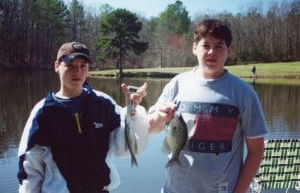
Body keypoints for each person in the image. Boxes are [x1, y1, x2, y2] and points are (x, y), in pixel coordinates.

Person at [147, 19, 268, 193]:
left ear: (229, 51)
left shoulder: (244, 93)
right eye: (206, 45)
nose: (212, 52)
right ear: (194, 47)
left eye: (219, 46)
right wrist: (159, 116)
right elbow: (150, 129)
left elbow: (256, 151)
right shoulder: (177, 84)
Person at [17, 42, 149, 193]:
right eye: (71, 65)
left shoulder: (103, 103)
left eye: (83, 66)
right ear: (57, 66)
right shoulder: (43, 112)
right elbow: (30, 169)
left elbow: (127, 148)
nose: (77, 71)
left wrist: (132, 111)